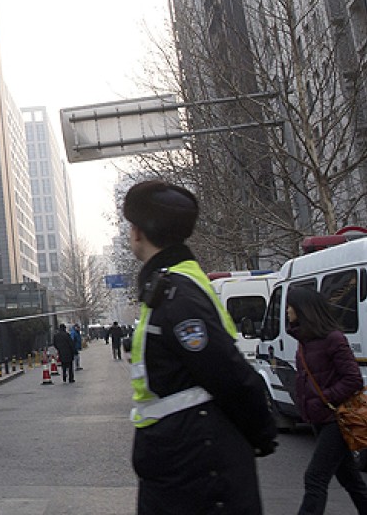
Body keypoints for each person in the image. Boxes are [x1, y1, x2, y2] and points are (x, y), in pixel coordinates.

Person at [123, 180, 277, 514]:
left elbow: (229, 373)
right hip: (185, 464)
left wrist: (263, 433)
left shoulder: (176, 294)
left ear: (138, 232)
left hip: (196, 467)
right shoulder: (174, 284)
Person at [288, 286, 367, 514]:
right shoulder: (305, 340)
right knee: (351, 480)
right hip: (318, 418)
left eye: (291, 306)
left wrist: (324, 399)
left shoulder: (333, 339)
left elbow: (353, 379)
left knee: (315, 477)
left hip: (336, 418)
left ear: (303, 309)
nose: (288, 312)